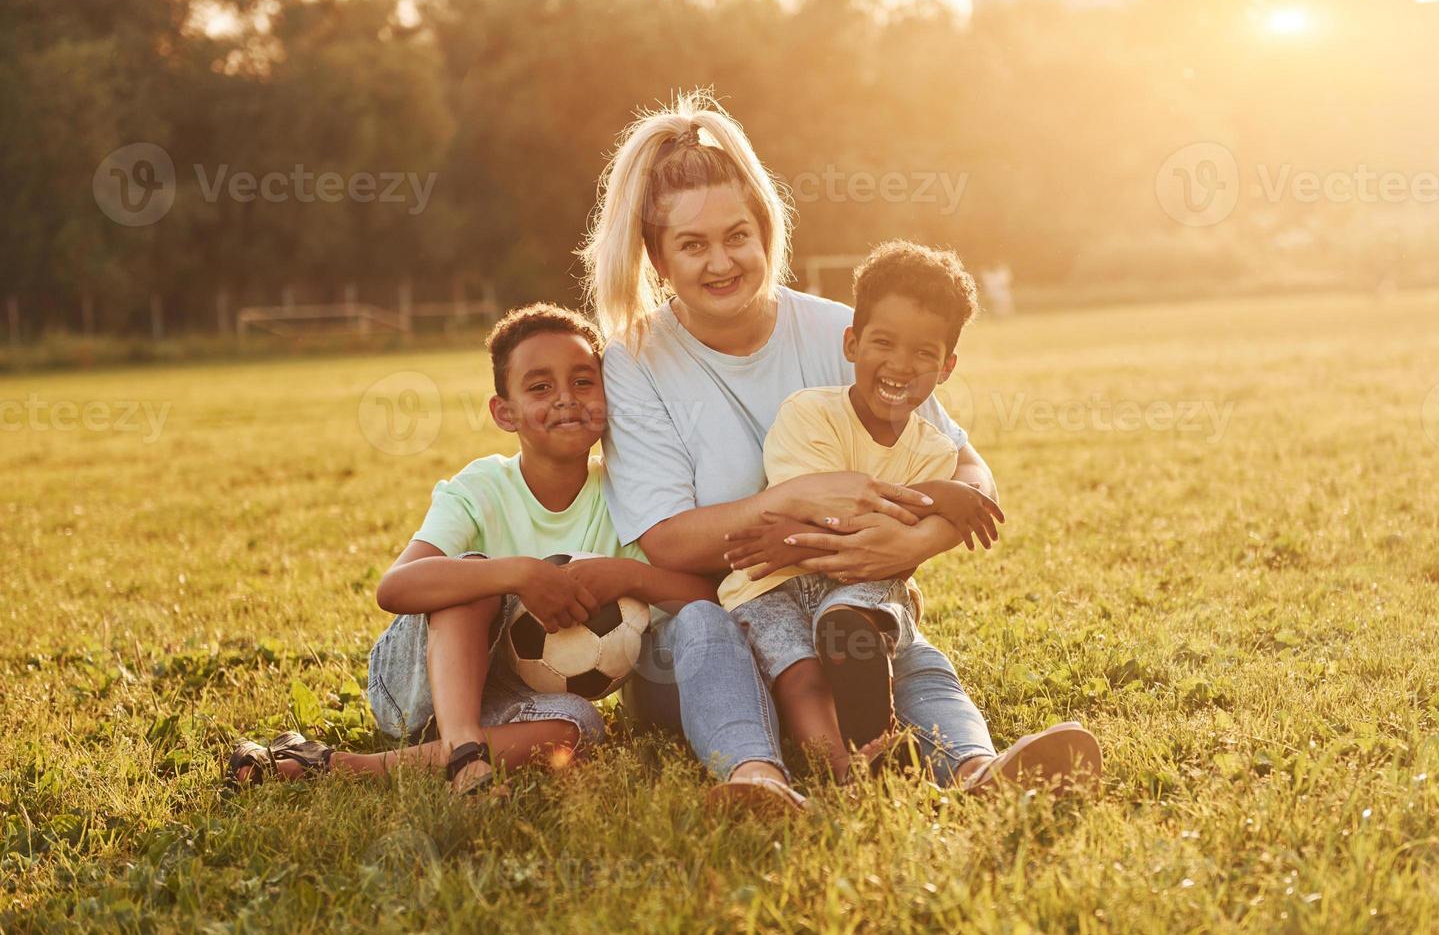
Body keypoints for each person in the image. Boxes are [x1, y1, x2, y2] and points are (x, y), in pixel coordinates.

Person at [581, 91, 1102, 811]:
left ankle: (978, 770)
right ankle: (758, 779)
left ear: (765, 230)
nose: (723, 261)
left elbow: (964, 468)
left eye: (738, 235)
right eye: (693, 245)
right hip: (716, 631)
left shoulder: (840, 333)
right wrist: (788, 503)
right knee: (711, 633)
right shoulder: (635, 361)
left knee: (896, 639)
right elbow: (666, 538)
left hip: (835, 624)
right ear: (658, 258)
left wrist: (909, 544)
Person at [226, 303, 717, 795]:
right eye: (540, 387)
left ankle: (345, 765)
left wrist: (628, 575)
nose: (567, 398)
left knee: (579, 727)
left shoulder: (626, 495)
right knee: (473, 576)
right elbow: (395, 587)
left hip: (512, 700)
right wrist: (518, 574)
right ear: (505, 412)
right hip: (414, 689)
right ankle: (463, 753)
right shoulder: (483, 486)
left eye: (584, 381)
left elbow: (704, 595)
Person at [719, 239, 1023, 784]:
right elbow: (820, 522)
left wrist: (920, 507)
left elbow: (866, 548)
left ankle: (971, 766)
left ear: (947, 367)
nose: (901, 365)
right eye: (883, 342)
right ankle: (850, 773)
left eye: (924, 354)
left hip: (861, 590)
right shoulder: (810, 415)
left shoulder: (933, 447)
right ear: (852, 343)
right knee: (802, 678)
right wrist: (934, 498)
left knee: (883, 621)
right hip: (772, 584)